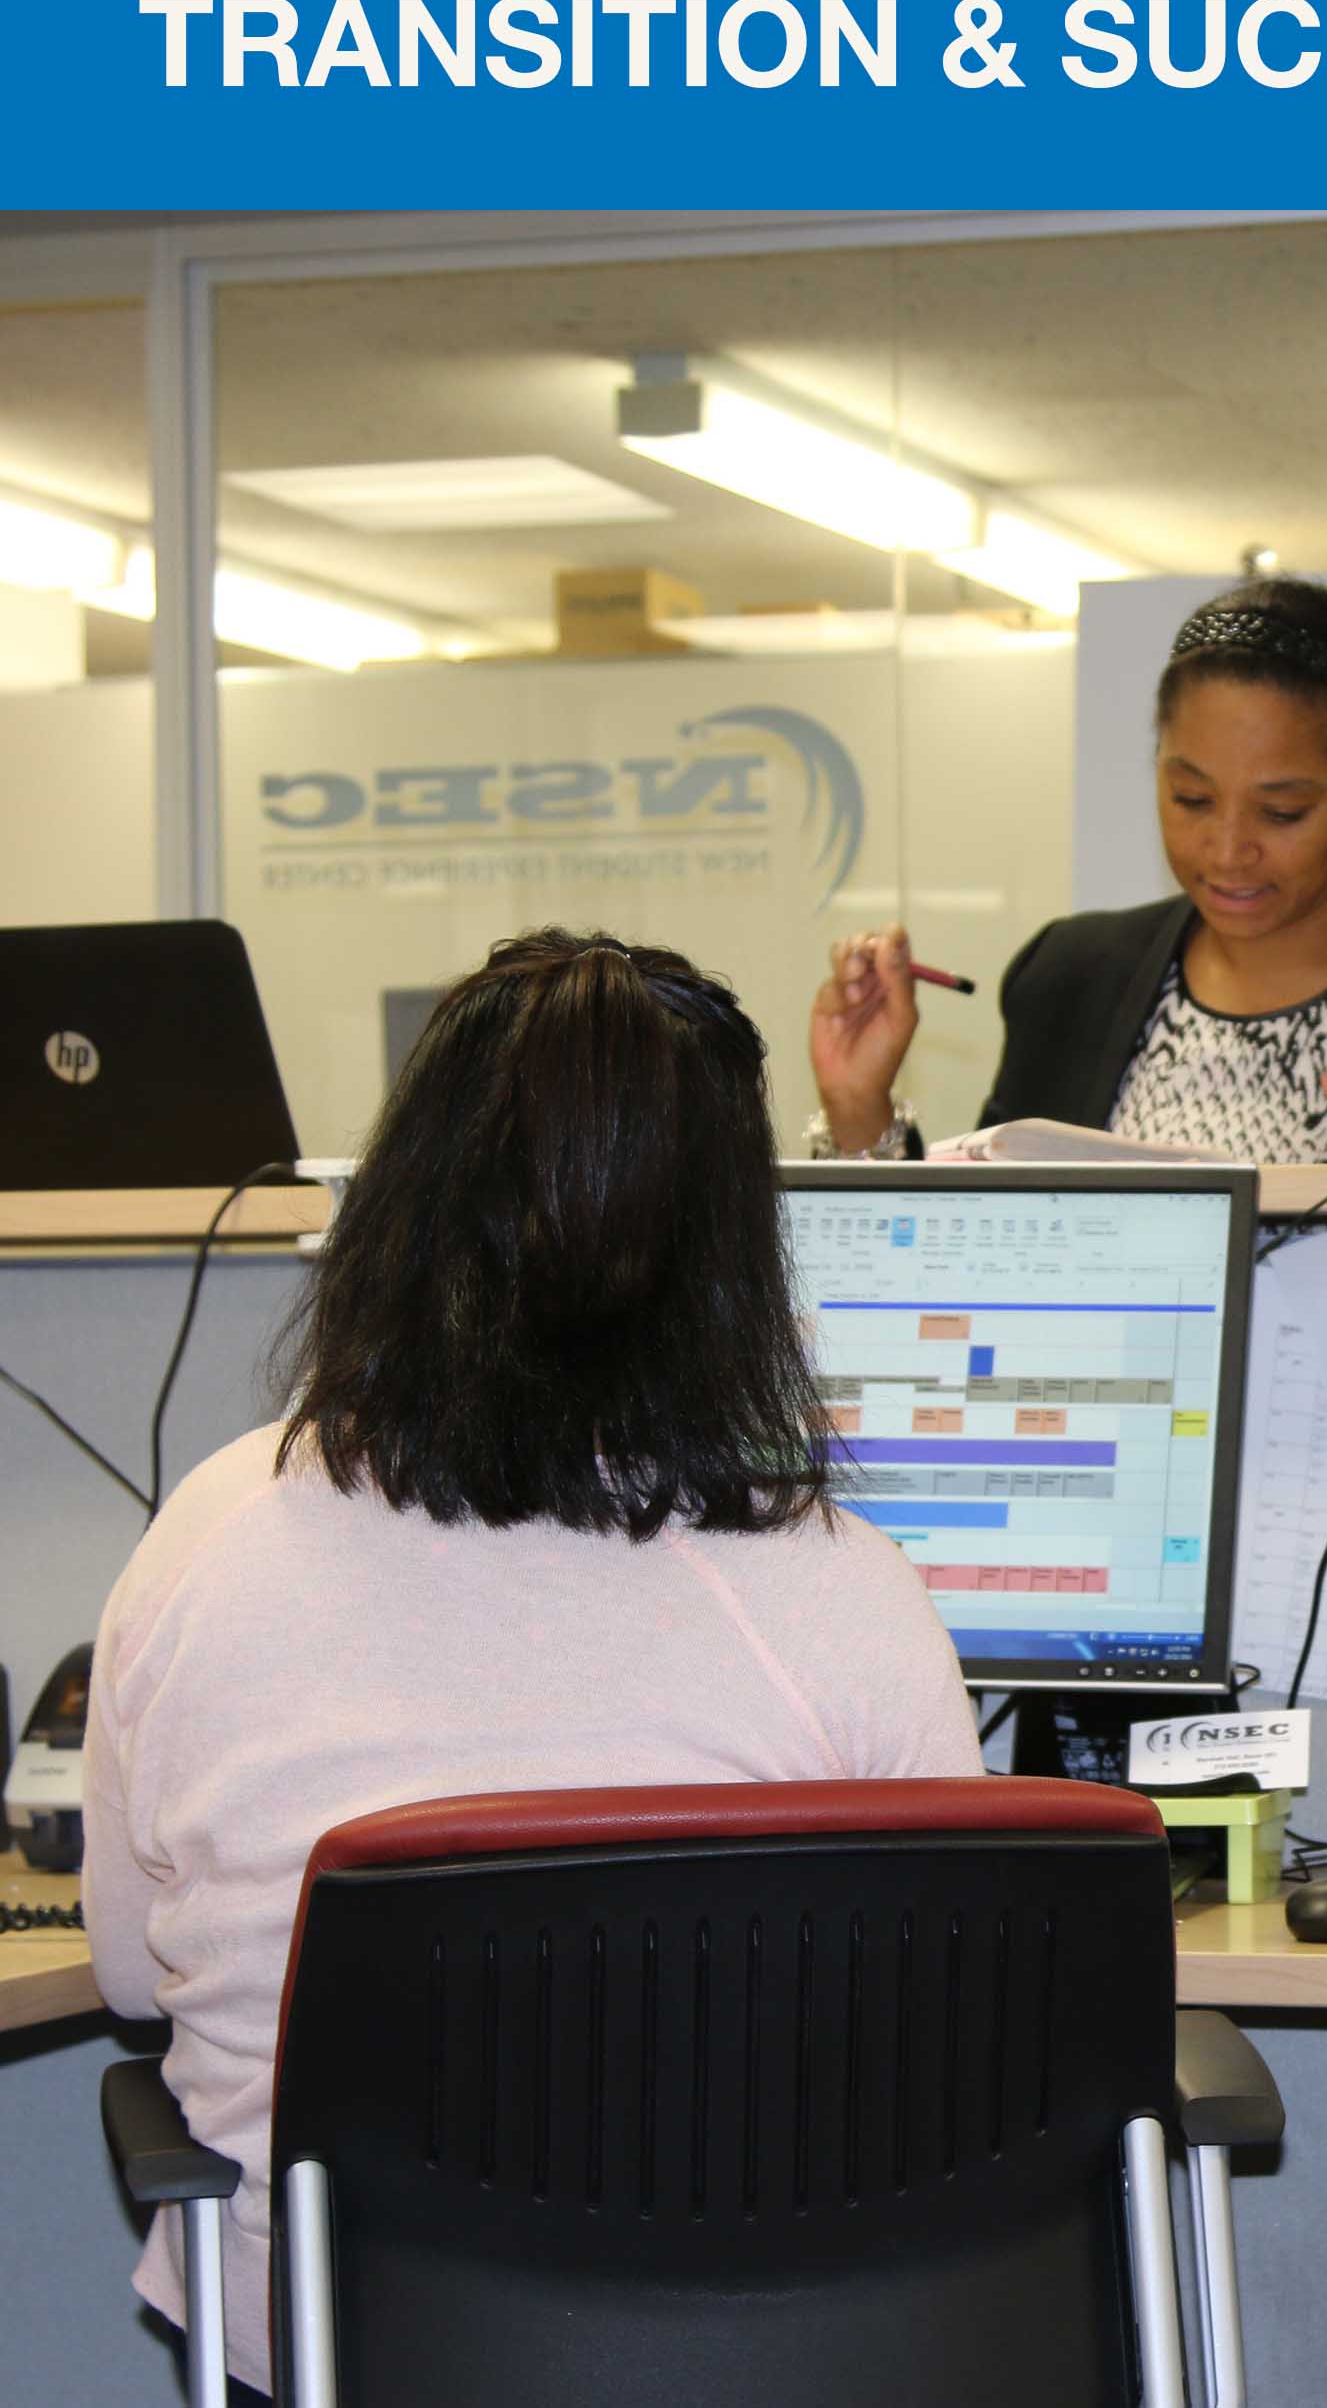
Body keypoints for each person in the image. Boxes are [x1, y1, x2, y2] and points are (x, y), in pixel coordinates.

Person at [83, 928, 982, 2402]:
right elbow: (946, 2038)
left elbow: (129, 1967)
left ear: (404, 1206)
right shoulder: (846, 1597)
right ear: (731, 1256)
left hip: (338, 2348)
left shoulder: (212, 1537)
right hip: (766, 2348)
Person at [809, 576, 1327, 1164]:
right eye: (1191, 799)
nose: (1226, 851)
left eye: (1281, 812)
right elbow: (985, 1254)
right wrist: (860, 1109)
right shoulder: (1071, 977)